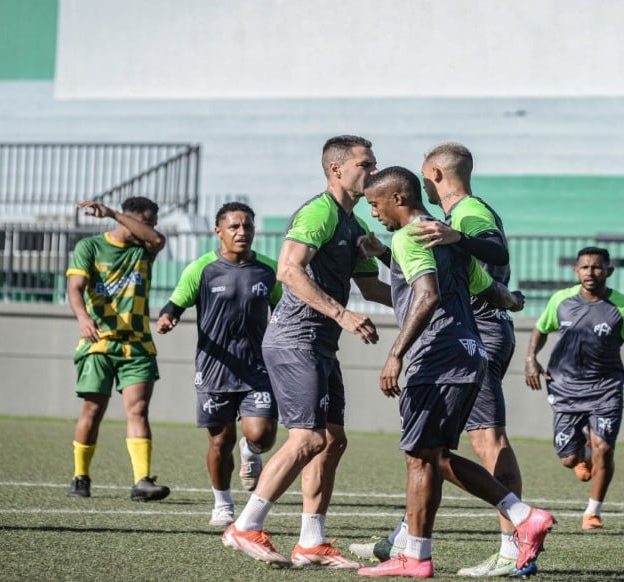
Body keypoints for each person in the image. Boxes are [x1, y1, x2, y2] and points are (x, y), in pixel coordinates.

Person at [357, 166, 555, 579]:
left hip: (437, 356)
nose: (373, 213)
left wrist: (395, 354)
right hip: (470, 354)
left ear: (397, 198)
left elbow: (427, 295)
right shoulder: (446, 238)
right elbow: (491, 291)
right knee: (432, 457)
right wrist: (515, 302)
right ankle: (420, 553)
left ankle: (515, 519)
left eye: (375, 204)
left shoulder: (409, 236)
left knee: (421, 457)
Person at [221, 135, 391, 569]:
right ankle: (245, 526)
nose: (373, 171)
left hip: (321, 344)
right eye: (365, 164)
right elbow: (288, 270)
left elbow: (373, 288)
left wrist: (433, 303)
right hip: (295, 339)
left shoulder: (354, 224)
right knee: (308, 438)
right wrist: (342, 314)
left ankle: (311, 542)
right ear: (336, 169)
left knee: (332, 440)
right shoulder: (320, 212)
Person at [155, 202, 283, 526]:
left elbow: (285, 310)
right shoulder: (201, 269)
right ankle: (222, 504)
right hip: (215, 370)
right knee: (219, 442)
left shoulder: (269, 270)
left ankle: (250, 451)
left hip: (258, 369)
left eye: (247, 227)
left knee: (262, 436)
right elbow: (174, 305)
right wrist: (168, 318)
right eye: (234, 227)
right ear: (218, 231)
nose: (242, 232)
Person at [525, 246, 624, 531]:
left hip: (605, 388)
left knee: (605, 448)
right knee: (568, 459)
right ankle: (582, 453)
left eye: (597, 267)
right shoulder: (561, 300)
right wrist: (531, 358)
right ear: (576, 271)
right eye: (584, 267)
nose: (590, 272)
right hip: (564, 386)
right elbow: (541, 328)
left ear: (609, 271)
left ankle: (593, 512)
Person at [64, 196, 170, 502]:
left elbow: (157, 239)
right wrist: (83, 317)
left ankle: (142, 481)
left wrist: (111, 213)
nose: (151, 229)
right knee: (93, 410)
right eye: (147, 222)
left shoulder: (146, 248)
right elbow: (75, 288)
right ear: (130, 218)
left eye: (152, 223)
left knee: (138, 410)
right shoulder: (90, 247)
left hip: (137, 345)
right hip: (99, 343)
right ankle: (80, 476)